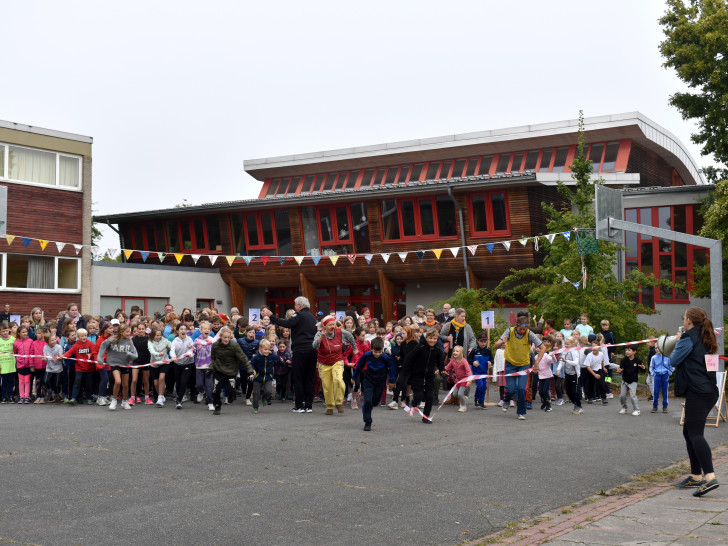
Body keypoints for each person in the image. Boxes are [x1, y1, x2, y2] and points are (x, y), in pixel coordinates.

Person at [670, 307, 720, 496]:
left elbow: (674, 361)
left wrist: (677, 342)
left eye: (685, 318)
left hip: (699, 392)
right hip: (709, 389)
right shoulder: (707, 335)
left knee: (696, 433)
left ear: (689, 320)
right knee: (688, 431)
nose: (684, 321)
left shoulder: (688, 338)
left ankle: (709, 477)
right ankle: (696, 475)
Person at [263, 297, 318, 414]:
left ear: (300, 305)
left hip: (300, 349)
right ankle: (309, 405)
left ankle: (299, 405)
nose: (294, 307)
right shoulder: (312, 317)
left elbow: (286, 323)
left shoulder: (298, 315)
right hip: (312, 349)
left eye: (295, 305)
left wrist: (272, 316)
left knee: (298, 377)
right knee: (310, 378)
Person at [492, 311, 544, 420]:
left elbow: (543, 347)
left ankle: (521, 412)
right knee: (510, 389)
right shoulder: (509, 332)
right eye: (521, 329)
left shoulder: (529, 333)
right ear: (517, 326)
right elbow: (494, 346)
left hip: (524, 365)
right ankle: (506, 400)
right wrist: (502, 342)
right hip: (510, 364)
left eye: (525, 329)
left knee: (522, 389)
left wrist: (537, 363)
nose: (523, 331)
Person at [313, 315, 357, 415]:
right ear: (324, 326)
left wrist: (354, 348)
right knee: (327, 386)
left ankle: (339, 403)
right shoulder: (319, 334)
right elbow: (314, 346)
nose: (332, 326)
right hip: (323, 363)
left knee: (338, 380)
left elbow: (351, 337)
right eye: (330, 325)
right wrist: (321, 337)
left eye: (333, 324)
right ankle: (329, 406)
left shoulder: (341, 332)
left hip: (337, 361)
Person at [402, 328, 446, 423]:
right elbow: (408, 359)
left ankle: (425, 417)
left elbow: (440, 362)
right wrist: (407, 373)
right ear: (426, 338)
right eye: (430, 338)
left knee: (429, 398)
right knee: (419, 396)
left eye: (435, 338)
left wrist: (442, 370)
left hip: (430, 376)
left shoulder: (437, 350)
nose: (432, 340)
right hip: (417, 376)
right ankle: (414, 401)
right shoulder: (420, 347)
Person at [354, 337, 396, 431]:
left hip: (380, 382)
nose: (377, 354)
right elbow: (359, 366)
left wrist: (392, 381)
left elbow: (392, 368)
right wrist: (354, 376)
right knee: (368, 401)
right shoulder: (367, 355)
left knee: (375, 402)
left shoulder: (385, 357)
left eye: (379, 352)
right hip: (369, 381)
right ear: (371, 349)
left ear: (382, 349)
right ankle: (367, 421)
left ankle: (368, 406)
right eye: (375, 352)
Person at [210, 327, 254, 416]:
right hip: (219, 370)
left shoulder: (234, 345)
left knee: (231, 391)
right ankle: (217, 406)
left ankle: (231, 395)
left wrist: (250, 370)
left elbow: (243, 357)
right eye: (224, 337)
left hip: (231, 371)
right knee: (216, 390)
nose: (226, 339)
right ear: (220, 337)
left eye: (228, 337)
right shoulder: (215, 345)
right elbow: (213, 358)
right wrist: (210, 368)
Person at [64, 328, 96, 405]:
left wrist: (91, 355)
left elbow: (95, 352)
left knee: (89, 384)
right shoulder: (76, 346)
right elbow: (69, 353)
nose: (84, 337)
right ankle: (74, 398)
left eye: (85, 335)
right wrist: (62, 356)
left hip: (89, 368)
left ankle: (88, 398)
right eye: (82, 336)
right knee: (77, 382)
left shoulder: (91, 344)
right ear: (78, 337)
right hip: (79, 368)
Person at [249, 339, 280, 414]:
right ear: (260, 349)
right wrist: (253, 370)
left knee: (269, 391)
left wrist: (283, 362)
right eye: (265, 349)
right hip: (258, 377)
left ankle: (264, 397)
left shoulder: (271, 355)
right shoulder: (257, 357)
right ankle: (255, 407)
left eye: (268, 349)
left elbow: (278, 359)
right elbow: (251, 363)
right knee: (256, 393)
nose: (267, 351)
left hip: (268, 377)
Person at [170, 323, 194, 410]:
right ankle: (179, 395)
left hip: (187, 364)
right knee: (178, 382)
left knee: (184, 381)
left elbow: (192, 349)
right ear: (177, 331)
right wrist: (173, 356)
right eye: (181, 329)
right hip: (177, 364)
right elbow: (172, 350)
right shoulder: (175, 341)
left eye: (185, 329)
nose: (183, 331)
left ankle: (179, 401)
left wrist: (190, 354)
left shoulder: (190, 340)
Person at [617, 345, 644, 416]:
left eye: (629, 350)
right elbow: (620, 370)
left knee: (632, 396)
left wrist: (643, 368)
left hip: (633, 381)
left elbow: (643, 370)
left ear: (634, 352)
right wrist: (619, 371)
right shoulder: (624, 360)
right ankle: (624, 408)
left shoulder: (638, 360)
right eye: (626, 350)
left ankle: (636, 410)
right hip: (625, 380)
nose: (627, 352)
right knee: (622, 396)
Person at [444, 346, 472, 412]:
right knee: (455, 394)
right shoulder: (453, 360)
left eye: (457, 351)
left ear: (461, 353)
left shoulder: (464, 361)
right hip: (458, 380)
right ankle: (464, 396)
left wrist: (469, 381)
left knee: (460, 394)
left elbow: (468, 371)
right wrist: (441, 370)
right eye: (454, 351)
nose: (455, 352)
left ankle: (463, 406)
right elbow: (447, 367)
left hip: (465, 379)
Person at [468, 332, 492, 409]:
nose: (483, 343)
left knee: (484, 387)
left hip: (484, 371)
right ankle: (477, 399)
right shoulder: (475, 350)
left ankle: (481, 401)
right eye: (482, 341)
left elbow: (492, 358)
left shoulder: (488, 350)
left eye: (485, 341)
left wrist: (490, 362)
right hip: (477, 371)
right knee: (480, 386)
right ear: (478, 341)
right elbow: (469, 359)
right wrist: (473, 362)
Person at [650, 347, 673, 413]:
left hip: (665, 375)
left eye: (659, 348)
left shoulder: (667, 357)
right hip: (657, 375)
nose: (657, 350)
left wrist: (669, 372)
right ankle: (655, 406)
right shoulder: (653, 357)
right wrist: (653, 374)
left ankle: (665, 406)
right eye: (656, 348)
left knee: (665, 391)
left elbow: (671, 366)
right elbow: (651, 367)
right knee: (656, 391)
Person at [0, 322, 16, 403]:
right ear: (0, 332)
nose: (5, 332)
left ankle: (10, 396)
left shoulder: (13, 340)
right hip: (2, 365)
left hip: (11, 364)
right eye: (3, 331)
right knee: (3, 382)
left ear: (9, 330)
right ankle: (3, 396)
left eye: (6, 330)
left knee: (11, 382)